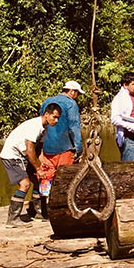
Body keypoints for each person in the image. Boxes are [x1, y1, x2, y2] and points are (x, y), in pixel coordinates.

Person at [0, 104, 62, 226]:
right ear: (46, 114)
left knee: (38, 179)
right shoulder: (35, 127)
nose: (56, 120)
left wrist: (43, 166)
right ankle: (12, 219)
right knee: (25, 184)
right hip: (12, 155)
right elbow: (30, 149)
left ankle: (37, 213)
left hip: (22, 155)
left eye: (58, 118)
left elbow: (38, 150)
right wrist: (37, 168)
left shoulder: (45, 128)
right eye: (54, 117)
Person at [35, 80, 85, 218]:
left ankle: (42, 211)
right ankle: (63, 210)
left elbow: (41, 123)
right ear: (72, 92)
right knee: (65, 178)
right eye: (77, 94)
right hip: (65, 147)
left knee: (46, 177)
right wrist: (79, 147)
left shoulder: (47, 102)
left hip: (47, 146)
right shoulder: (71, 104)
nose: (77, 97)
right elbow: (74, 126)